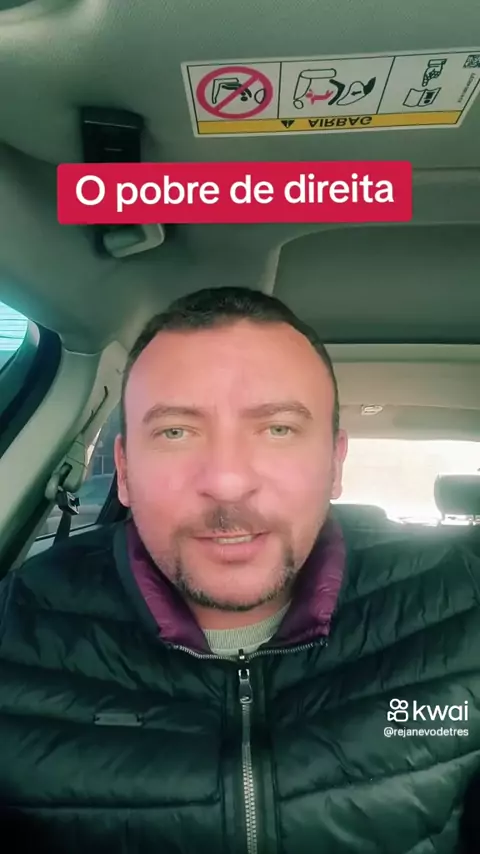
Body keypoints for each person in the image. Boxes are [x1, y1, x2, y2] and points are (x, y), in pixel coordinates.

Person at [0, 285, 479, 854]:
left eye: (278, 429)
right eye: (176, 431)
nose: (227, 482)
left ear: (334, 464)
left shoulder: (462, 611)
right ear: (124, 472)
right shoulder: (15, 629)